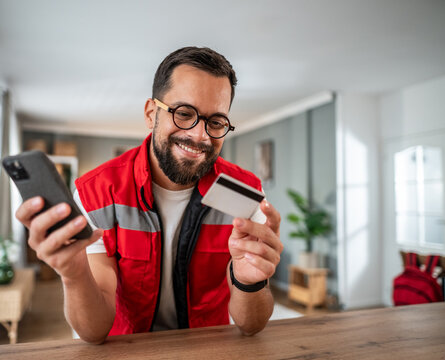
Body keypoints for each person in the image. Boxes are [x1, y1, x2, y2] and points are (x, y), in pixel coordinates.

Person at [16, 46, 283, 344]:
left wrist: (249, 282)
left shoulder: (243, 196)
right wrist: (73, 274)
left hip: (207, 348)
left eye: (216, 122)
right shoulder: (97, 193)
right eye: (184, 114)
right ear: (151, 113)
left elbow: (251, 325)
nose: (200, 136)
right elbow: (94, 331)